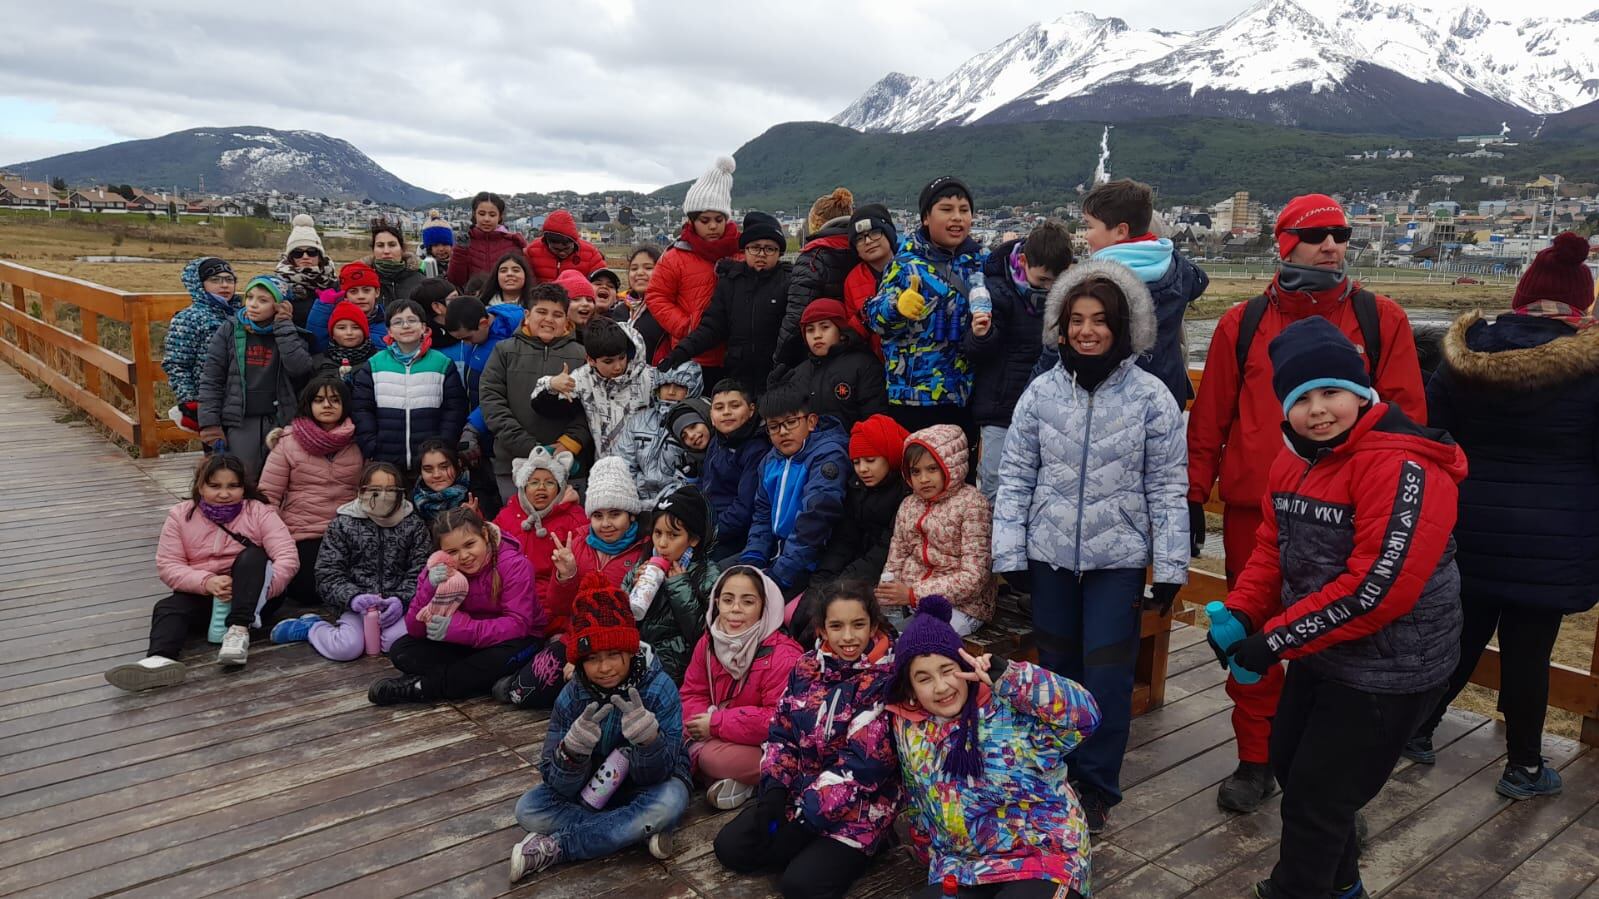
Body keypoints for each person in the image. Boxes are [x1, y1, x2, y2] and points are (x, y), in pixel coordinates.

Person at [1186, 193, 1427, 813]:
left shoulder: (1383, 318)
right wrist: (1191, 496)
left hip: (1352, 512)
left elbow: (1407, 423)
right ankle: (1255, 758)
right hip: (1255, 513)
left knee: (1339, 639)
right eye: (1317, 233)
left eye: (1341, 233)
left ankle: (1326, 784)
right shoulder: (1240, 324)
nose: (1333, 244)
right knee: (1250, 633)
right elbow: (1209, 418)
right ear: (1284, 242)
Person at [1212, 317, 1464, 899]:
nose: (1318, 410)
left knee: (1319, 798)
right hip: (1324, 651)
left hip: (1390, 666)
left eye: (1332, 392)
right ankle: (1343, 887)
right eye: (1301, 398)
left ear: (1362, 393)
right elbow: (1272, 551)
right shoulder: (1294, 460)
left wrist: (1273, 640)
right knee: (1296, 768)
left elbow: (1377, 589)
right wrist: (1243, 612)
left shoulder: (1401, 467)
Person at [991, 260, 1188, 833]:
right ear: (1061, 326)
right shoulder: (1040, 394)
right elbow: (1016, 479)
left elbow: (1167, 484)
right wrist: (1011, 556)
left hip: (1117, 562)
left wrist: (1171, 566)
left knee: (1105, 677)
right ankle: (1053, 773)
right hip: (1049, 556)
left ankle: (1096, 786)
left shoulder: (1153, 399)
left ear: (1123, 327)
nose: (1087, 330)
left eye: (1100, 320)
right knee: (1056, 673)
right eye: (1076, 319)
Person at [1406, 232, 1599, 800]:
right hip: (1556, 533)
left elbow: (1434, 434)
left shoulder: (1467, 354)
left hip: (1470, 522)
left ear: (1522, 294)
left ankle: (1417, 732)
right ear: (1581, 303)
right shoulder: (1592, 367)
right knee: (1530, 652)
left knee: (1460, 636)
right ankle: (1524, 767)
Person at [889, 596, 1101, 899]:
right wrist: (926, 852)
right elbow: (919, 797)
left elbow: (1086, 716)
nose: (941, 686)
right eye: (924, 678)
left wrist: (1012, 678)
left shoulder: (1010, 708)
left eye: (947, 670)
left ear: (964, 665)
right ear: (909, 689)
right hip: (961, 865)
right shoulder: (910, 728)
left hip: (1043, 857)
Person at [712, 580, 902, 899]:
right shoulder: (806, 668)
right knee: (731, 848)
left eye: (858, 625)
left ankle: (873, 843)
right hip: (800, 797)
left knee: (801, 886)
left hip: (858, 808)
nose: (848, 636)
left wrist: (803, 825)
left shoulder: (884, 682)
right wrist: (773, 791)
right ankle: (801, 841)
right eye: (837, 626)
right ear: (823, 630)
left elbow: (858, 771)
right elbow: (782, 733)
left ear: (873, 625)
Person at [508, 572, 689, 881]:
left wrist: (649, 742)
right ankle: (633, 830)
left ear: (630, 651)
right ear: (580, 662)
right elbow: (554, 778)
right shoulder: (573, 693)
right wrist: (572, 753)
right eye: (592, 659)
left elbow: (664, 770)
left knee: (670, 801)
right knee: (528, 809)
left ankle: (557, 847)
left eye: (614, 655)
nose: (604, 668)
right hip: (590, 789)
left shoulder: (660, 688)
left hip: (649, 786)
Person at [104, 454, 298, 690]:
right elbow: (168, 564)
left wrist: (255, 591)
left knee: (254, 556)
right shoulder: (180, 515)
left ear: (243, 487)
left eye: (233, 486)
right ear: (200, 485)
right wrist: (207, 583)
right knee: (167, 608)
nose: (224, 494)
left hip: (253, 600)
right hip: (204, 594)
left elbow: (287, 558)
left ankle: (238, 632)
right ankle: (159, 659)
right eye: (214, 486)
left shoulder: (259, 512)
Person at [499, 456, 649, 710]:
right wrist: (566, 575)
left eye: (615, 514)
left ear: (631, 516)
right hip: (574, 638)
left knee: (587, 696)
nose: (606, 524)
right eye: (598, 515)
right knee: (520, 694)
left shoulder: (643, 552)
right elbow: (559, 607)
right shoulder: (579, 543)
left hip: (617, 647)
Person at [368, 506, 546, 704]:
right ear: (441, 553)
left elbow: (518, 624)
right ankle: (481, 678)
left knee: (493, 660)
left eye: (470, 544)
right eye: (452, 551)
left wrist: (460, 629)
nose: (464, 556)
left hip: (518, 638)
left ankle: (423, 687)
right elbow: (415, 629)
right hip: (466, 641)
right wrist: (429, 587)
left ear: (485, 535)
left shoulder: (514, 565)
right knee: (402, 650)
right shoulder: (440, 570)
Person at [865, 176, 986, 455]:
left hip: (964, 395)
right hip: (912, 399)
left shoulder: (981, 261)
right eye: (946, 209)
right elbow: (874, 316)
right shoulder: (904, 264)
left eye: (964, 210)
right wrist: (896, 308)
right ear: (925, 218)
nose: (957, 218)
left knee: (959, 482)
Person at [270, 461, 431, 661]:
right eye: (374, 490)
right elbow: (327, 574)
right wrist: (353, 598)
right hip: (356, 606)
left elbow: (421, 571)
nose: (383, 496)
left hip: (399, 605)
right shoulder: (343, 524)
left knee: (393, 644)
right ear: (361, 491)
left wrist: (401, 599)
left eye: (390, 490)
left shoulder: (413, 525)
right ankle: (312, 627)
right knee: (348, 648)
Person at [964, 220, 1073, 501]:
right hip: (1001, 407)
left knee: (1041, 480)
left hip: (1046, 409)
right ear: (1023, 261)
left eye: (1056, 282)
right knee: (995, 479)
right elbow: (976, 352)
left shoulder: (1068, 298)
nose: (1049, 289)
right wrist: (981, 335)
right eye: (1043, 281)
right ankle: (992, 538)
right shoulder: (995, 292)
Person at [680, 565, 803, 810]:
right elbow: (693, 691)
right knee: (683, 740)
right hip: (725, 733)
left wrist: (714, 723)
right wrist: (699, 722)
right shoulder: (708, 642)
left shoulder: (783, 655)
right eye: (727, 600)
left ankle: (765, 779)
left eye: (747, 602)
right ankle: (743, 781)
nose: (735, 609)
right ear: (717, 603)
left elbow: (779, 720)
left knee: (708, 758)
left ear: (763, 607)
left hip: (772, 744)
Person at [1080, 179, 1209, 405]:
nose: (1085, 235)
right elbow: (1200, 281)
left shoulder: (1097, 282)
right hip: (1165, 394)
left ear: (1121, 231)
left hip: (1114, 402)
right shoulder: (1177, 267)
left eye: (1089, 226)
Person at [659, 211, 790, 400]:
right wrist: (682, 351)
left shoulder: (788, 283)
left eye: (770, 249)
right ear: (744, 250)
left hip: (778, 377)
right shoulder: (731, 282)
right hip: (737, 376)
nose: (762, 254)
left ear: (779, 253)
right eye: (755, 247)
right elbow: (712, 327)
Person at [480, 283, 593, 502]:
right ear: (527, 315)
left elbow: (591, 407)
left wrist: (569, 442)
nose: (549, 319)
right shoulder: (504, 350)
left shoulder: (581, 356)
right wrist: (531, 447)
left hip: (568, 464)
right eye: (542, 312)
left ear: (567, 319)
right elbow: (492, 402)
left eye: (557, 314)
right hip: (513, 462)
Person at [257, 377, 363, 606]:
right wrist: (273, 540)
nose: (327, 405)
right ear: (308, 404)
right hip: (303, 532)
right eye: (319, 400)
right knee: (308, 593)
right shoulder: (287, 442)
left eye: (335, 400)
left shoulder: (359, 441)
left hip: (348, 531)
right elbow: (268, 496)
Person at [738, 383, 850, 600]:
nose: (783, 432)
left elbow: (815, 520)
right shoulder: (770, 460)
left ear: (811, 421)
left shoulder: (828, 456)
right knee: (726, 584)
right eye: (774, 426)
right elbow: (762, 515)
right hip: (776, 554)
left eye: (791, 422)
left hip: (813, 560)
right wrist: (753, 560)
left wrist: (779, 575)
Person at [881, 425, 995, 636]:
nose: (923, 479)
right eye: (916, 471)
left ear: (952, 466)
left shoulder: (973, 504)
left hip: (963, 607)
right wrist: (887, 593)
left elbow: (974, 576)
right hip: (909, 600)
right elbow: (895, 558)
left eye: (932, 469)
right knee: (872, 630)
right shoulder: (909, 505)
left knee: (916, 640)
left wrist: (914, 594)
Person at [197, 274, 314, 478]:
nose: (253, 305)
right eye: (250, 297)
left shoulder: (291, 332)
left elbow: (299, 368)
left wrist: (283, 326)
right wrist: (210, 423)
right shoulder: (230, 330)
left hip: (278, 419)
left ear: (279, 305)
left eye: (263, 300)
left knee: (277, 478)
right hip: (240, 421)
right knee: (242, 476)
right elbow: (212, 379)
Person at [648, 156, 741, 381]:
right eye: (705, 219)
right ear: (692, 221)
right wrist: (685, 326)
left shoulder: (740, 252)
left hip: (734, 352)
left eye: (719, 219)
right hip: (692, 354)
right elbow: (656, 296)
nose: (712, 226)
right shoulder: (675, 257)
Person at [349, 301, 469, 474]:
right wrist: (371, 445)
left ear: (424, 328)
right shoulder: (375, 364)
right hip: (386, 459)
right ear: (389, 331)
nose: (405, 326)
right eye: (398, 322)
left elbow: (455, 409)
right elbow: (361, 408)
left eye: (412, 320)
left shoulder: (442, 363)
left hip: (431, 461)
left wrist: (444, 444)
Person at [620, 486, 720, 683]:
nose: (662, 543)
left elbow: (704, 635)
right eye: (658, 533)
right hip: (638, 653)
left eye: (673, 535)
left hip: (678, 666)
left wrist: (680, 588)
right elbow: (619, 616)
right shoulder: (643, 564)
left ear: (693, 539)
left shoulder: (708, 574)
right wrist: (633, 587)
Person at [442, 293, 524, 512]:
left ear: (484, 322)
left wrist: (474, 427)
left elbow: (499, 393)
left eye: (467, 338)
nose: (465, 344)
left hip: (498, 430)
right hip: (480, 429)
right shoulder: (479, 338)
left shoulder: (507, 345)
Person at [814, 413, 909, 585]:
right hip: (854, 567)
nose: (862, 469)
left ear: (890, 456)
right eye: (856, 462)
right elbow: (844, 538)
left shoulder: (906, 494)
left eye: (870, 460)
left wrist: (846, 581)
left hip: (885, 577)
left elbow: (886, 548)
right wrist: (823, 576)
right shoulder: (856, 487)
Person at [774, 298, 888, 430]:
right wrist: (775, 395)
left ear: (841, 332)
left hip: (851, 445)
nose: (817, 335)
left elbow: (875, 418)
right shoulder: (798, 373)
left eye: (825, 327)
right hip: (807, 447)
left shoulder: (863, 365)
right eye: (810, 330)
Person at [774, 188, 856, 367]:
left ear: (816, 222)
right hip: (858, 346)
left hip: (819, 352)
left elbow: (796, 315)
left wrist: (780, 359)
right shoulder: (861, 251)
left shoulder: (813, 258)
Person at [493, 446, 587, 598]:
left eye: (549, 483)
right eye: (534, 482)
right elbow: (488, 544)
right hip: (510, 592)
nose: (541, 488)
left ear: (559, 488)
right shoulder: (506, 516)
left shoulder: (574, 518)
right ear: (523, 487)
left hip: (553, 595)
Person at [561, 316, 657, 457]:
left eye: (622, 357)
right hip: (605, 468)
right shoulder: (582, 377)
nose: (618, 366)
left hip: (647, 467)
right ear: (590, 360)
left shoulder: (650, 377)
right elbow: (543, 404)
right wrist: (551, 384)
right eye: (608, 361)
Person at [614, 361, 704, 505]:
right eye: (666, 385)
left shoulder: (697, 426)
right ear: (657, 388)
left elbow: (694, 475)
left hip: (676, 504)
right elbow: (622, 464)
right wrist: (628, 499)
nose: (671, 392)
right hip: (634, 502)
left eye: (680, 387)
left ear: (692, 390)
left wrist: (665, 503)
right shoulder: (639, 420)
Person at [164, 256, 237, 432]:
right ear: (199, 284)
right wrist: (189, 400)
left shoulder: (241, 313)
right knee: (215, 451)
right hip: (206, 399)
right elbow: (176, 364)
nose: (224, 285)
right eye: (215, 280)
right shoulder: (188, 318)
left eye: (229, 279)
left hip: (237, 398)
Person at [700, 379, 770, 563]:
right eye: (719, 407)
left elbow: (744, 509)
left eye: (735, 405)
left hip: (733, 536)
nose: (726, 412)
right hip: (706, 524)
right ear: (712, 415)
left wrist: (707, 534)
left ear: (751, 410)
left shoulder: (757, 449)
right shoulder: (717, 440)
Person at [840, 204, 897, 357]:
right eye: (859, 238)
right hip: (874, 365)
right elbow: (853, 330)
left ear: (889, 233)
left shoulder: (914, 267)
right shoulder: (852, 281)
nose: (868, 241)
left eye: (875, 232)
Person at [447, 191, 528, 290]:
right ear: (474, 214)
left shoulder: (513, 243)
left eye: (492, 215)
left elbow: (524, 280)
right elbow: (456, 280)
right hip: (474, 302)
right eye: (481, 214)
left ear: (500, 217)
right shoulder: (465, 243)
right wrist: (460, 251)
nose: (486, 219)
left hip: (505, 302)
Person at [306, 261, 392, 353]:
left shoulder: (390, 322)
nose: (361, 296)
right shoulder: (335, 320)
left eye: (366, 290)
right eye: (353, 291)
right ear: (345, 295)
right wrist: (323, 308)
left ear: (377, 292)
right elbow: (316, 347)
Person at [275, 215, 337, 330]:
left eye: (311, 252)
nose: (305, 257)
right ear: (290, 257)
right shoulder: (279, 285)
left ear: (320, 256)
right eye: (297, 253)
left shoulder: (333, 283)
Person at [617, 244, 669, 362]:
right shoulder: (619, 311)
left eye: (648, 268)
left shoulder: (667, 310)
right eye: (634, 269)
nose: (640, 273)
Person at [527, 209, 607, 282]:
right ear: (546, 242)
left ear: (574, 242)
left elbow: (602, 283)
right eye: (556, 249)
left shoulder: (591, 254)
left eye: (566, 248)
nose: (562, 253)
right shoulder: (532, 251)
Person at [411, 439, 480, 522]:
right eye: (428, 469)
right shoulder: (411, 504)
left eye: (444, 467)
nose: (436, 475)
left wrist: (475, 519)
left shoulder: (477, 494)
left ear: (458, 464)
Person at [311, 300, 379, 382]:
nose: (349, 333)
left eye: (355, 327)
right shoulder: (316, 363)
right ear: (333, 334)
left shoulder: (379, 361)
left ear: (365, 332)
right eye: (341, 328)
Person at [365, 220, 425, 305]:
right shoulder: (362, 280)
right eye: (380, 245)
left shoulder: (421, 283)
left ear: (402, 249)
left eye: (392, 245)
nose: (386, 251)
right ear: (373, 250)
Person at [414, 276, 461, 353]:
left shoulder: (470, 330)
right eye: (453, 299)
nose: (461, 303)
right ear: (436, 307)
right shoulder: (420, 347)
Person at [420, 210, 454, 280]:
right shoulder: (424, 266)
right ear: (429, 248)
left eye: (445, 244)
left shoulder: (458, 263)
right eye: (435, 245)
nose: (441, 249)